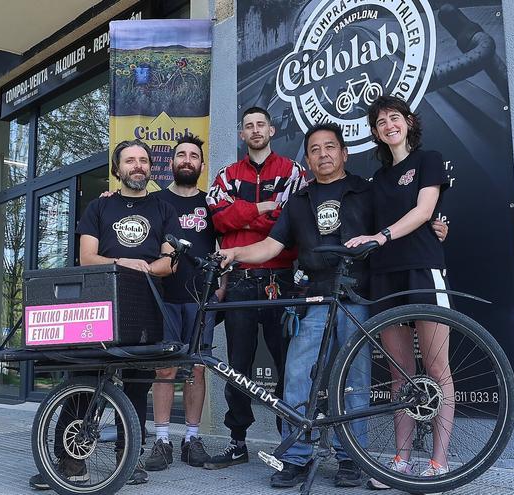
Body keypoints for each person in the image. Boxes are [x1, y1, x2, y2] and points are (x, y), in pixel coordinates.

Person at [219, 123, 449, 489]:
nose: (323, 153)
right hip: (315, 298)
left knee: (355, 381)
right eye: (314, 149)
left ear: (344, 153)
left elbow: (404, 219)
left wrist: (437, 225)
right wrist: (234, 252)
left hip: (358, 299)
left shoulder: (368, 192)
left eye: (330, 147)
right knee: (296, 374)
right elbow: (271, 247)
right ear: (307, 160)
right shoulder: (298, 202)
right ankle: (294, 456)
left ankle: (350, 458)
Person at [28, 139, 179, 490]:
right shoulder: (98, 207)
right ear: (118, 168)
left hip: (145, 306)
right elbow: (87, 258)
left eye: (143, 160)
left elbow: (170, 259)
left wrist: (146, 270)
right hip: (97, 307)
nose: (138, 166)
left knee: (137, 387)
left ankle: (130, 460)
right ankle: (67, 462)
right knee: (82, 383)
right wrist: (122, 262)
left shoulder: (163, 209)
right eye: (130, 160)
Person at [346, 95, 455, 487]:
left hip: (422, 270)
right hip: (384, 276)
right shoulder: (375, 180)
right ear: (374, 132)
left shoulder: (429, 159)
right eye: (380, 122)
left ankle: (439, 462)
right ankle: (401, 460)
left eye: (395, 117)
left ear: (408, 121)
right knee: (401, 376)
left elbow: (426, 212)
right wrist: (368, 240)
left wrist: (382, 235)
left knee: (438, 369)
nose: (389, 125)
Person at [204, 107, 307, 469]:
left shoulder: (292, 172)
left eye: (261, 124)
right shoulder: (227, 174)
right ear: (241, 134)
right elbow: (219, 217)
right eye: (248, 126)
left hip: (280, 282)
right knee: (238, 366)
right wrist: (263, 207)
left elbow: (292, 222)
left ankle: (291, 445)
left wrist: (243, 212)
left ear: (272, 129)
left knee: (289, 367)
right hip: (241, 284)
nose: (255, 130)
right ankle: (237, 442)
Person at [144, 135, 223, 471]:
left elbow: (225, 247)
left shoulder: (213, 204)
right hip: (163, 299)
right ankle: (162, 440)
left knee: (196, 369)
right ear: (172, 163)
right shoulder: (155, 202)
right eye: (181, 155)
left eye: (193, 156)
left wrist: (222, 289)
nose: (187, 160)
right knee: (164, 369)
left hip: (200, 300)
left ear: (201, 165)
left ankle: (192, 438)